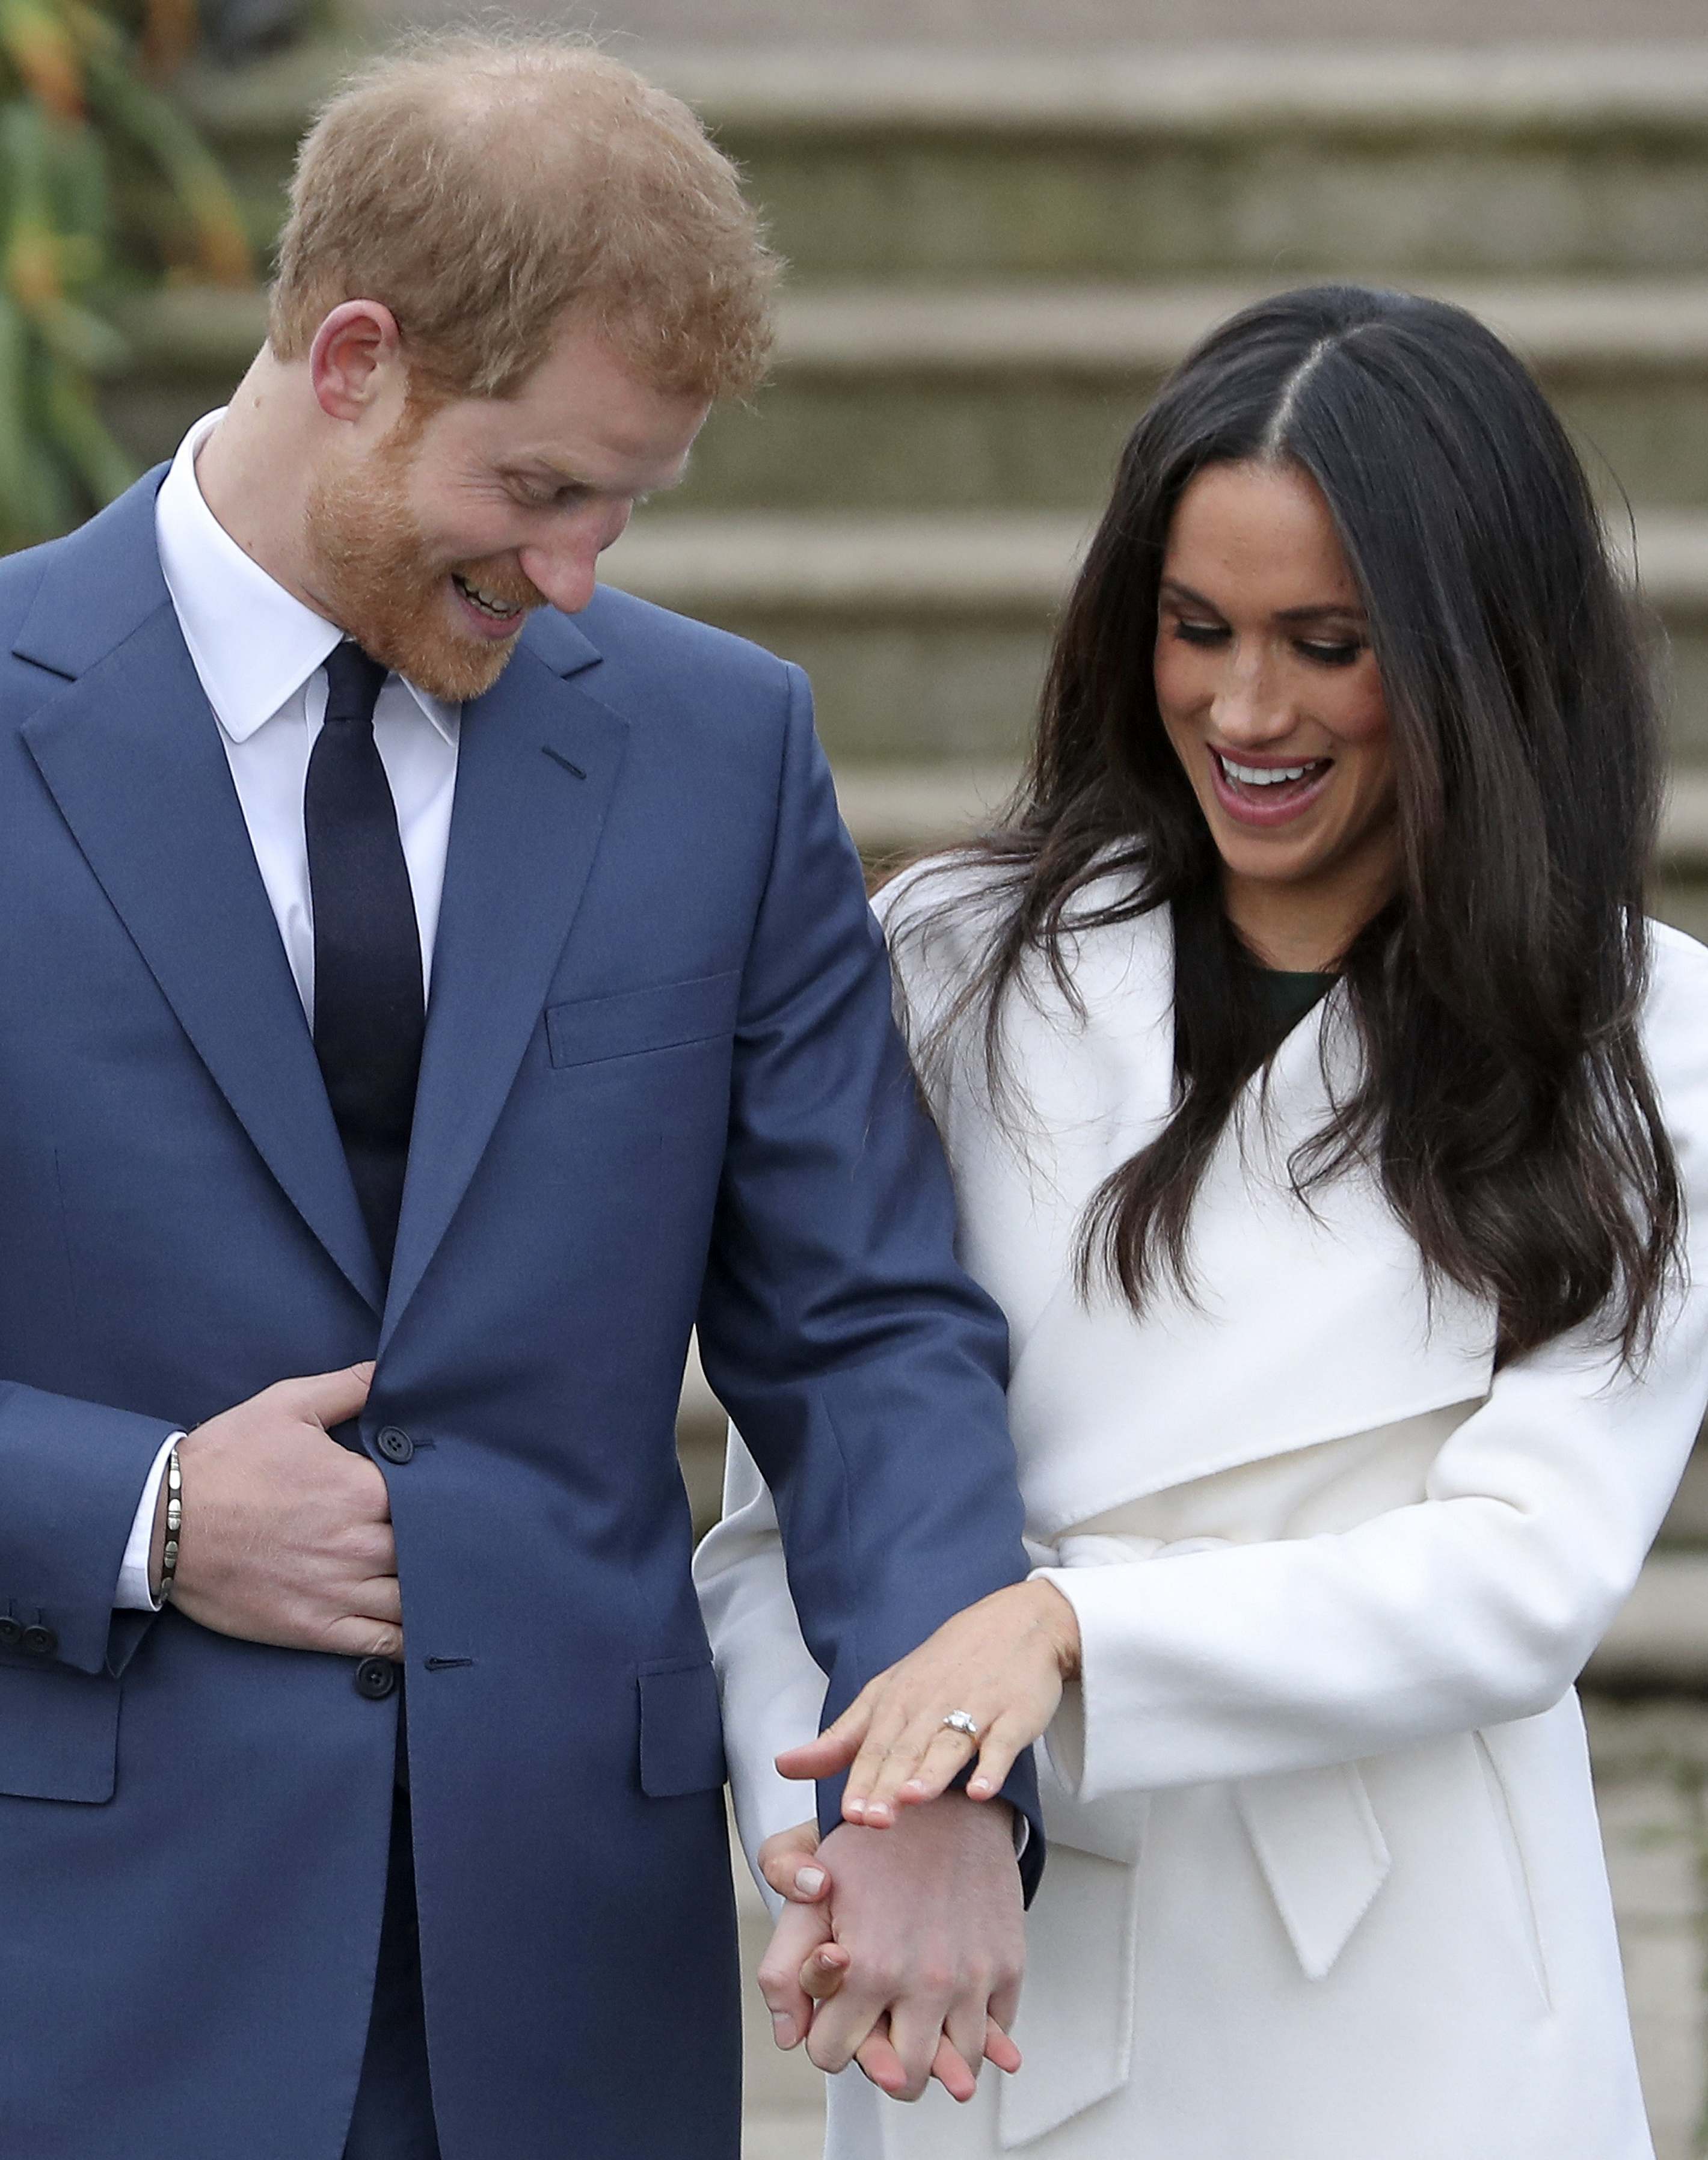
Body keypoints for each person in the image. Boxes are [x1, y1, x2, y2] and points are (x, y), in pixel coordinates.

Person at [0, 34, 1043, 2159]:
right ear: (356, 356)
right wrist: (142, 1515)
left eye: (626, 508)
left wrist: (938, 1764)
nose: (576, 575)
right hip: (80, 1959)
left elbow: (863, 1331)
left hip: (565, 1980)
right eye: (541, 490)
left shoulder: (718, 747)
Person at [696, 284, 1708, 2158]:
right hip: (991, 1960)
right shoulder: (953, 964)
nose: (1246, 712)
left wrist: (1065, 1634)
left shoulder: (1644, 1037)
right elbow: (790, 1509)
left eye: (1329, 647)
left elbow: (1525, 1581)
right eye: (1197, 630)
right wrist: (849, 1823)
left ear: (1479, 656)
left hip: (1407, 1995)